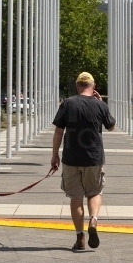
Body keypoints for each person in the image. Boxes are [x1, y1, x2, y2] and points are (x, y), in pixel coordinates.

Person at [50, 71, 116, 251]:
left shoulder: (67, 103)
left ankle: (80, 237)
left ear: (78, 86)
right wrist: (102, 104)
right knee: (94, 192)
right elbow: (111, 126)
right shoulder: (99, 105)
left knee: (76, 198)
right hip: (94, 158)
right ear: (93, 87)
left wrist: (54, 155)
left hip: (71, 158)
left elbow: (58, 132)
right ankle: (93, 220)